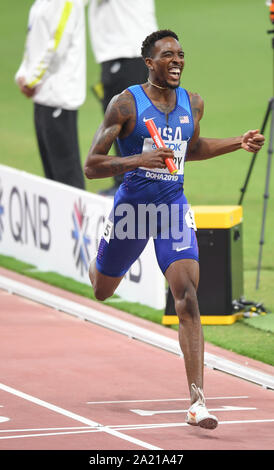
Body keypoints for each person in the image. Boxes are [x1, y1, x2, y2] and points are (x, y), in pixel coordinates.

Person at [84, 29, 265, 429]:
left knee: (187, 297)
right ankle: (97, 256)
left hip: (172, 211)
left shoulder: (192, 103)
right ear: (149, 63)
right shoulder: (126, 104)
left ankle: (197, 402)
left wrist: (239, 141)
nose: (177, 61)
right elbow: (91, 165)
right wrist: (138, 160)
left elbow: (191, 148)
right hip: (132, 211)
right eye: (168, 55)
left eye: (181, 54)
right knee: (101, 289)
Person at [88, 0, 158, 196]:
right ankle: (130, 183)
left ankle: (132, 185)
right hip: (131, 52)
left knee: (125, 122)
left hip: (126, 53)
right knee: (128, 122)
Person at [15, 0, 87, 189]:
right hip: (42, 95)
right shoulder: (41, 2)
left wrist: (31, 80)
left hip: (59, 97)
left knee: (67, 179)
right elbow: (34, 42)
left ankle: (74, 219)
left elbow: (57, 46)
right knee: (52, 179)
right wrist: (23, 75)